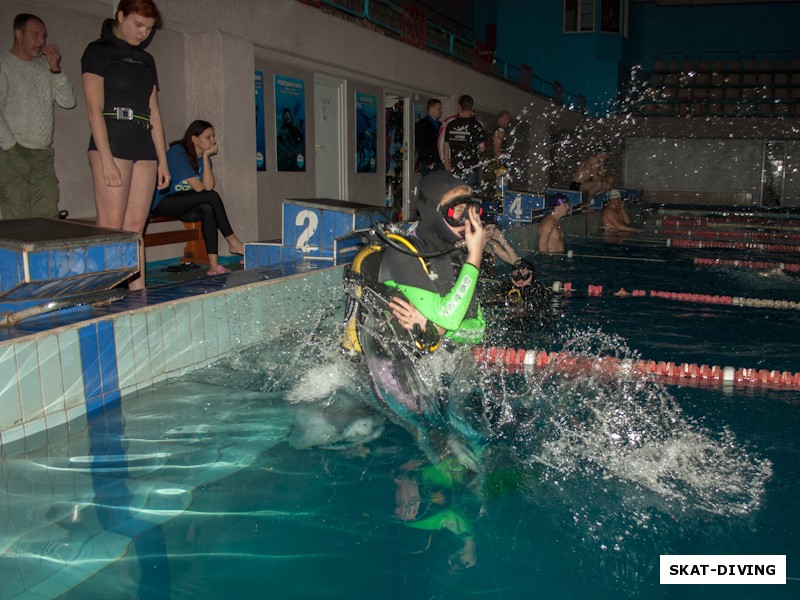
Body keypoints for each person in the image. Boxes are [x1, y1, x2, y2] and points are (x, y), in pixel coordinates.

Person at [81, 0, 169, 290]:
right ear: (120, 16)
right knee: (111, 228)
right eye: (138, 24)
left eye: (149, 28)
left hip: (142, 142)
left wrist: (163, 160)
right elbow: (94, 110)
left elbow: (154, 111)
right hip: (112, 138)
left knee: (134, 229)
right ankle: (100, 294)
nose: (143, 33)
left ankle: (138, 296)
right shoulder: (97, 51)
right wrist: (105, 159)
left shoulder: (148, 61)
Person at [380, 171, 488, 347]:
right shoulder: (402, 254)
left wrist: (436, 328)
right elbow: (450, 319)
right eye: (458, 211)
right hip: (387, 362)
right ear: (434, 212)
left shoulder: (457, 255)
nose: (466, 221)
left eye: (470, 211)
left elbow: (478, 329)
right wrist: (475, 257)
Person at [0, 13, 76, 219]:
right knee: (15, 217)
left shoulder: (45, 67)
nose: (41, 41)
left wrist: (55, 69)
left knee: (47, 214)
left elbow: (68, 102)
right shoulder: (4, 64)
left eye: (44, 36)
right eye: (35, 35)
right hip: (12, 154)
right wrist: (10, 147)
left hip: (43, 154)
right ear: (18, 34)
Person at [151, 120, 245, 276]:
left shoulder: (202, 158)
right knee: (211, 197)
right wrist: (206, 158)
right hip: (163, 202)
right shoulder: (177, 152)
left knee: (207, 207)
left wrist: (207, 156)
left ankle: (213, 266)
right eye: (208, 137)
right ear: (194, 139)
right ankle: (233, 242)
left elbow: (208, 187)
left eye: (213, 137)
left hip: (183, 204)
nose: (213, 141)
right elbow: (200, 188)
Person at [442, 95, 487, 189]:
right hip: (472, 167)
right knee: (470, 196)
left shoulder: (451, 124)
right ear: (473, 107)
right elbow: (482, 148)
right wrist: (474, 151)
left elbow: (446, 146)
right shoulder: (477, 125)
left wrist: (446, 164)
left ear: (459, 107)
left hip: (455, 168)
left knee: (456, 196)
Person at [414, 98, 443, 175]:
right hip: (428, 162)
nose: (441, 111)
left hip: (439, 161)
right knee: (430, 184)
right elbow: (419, 144)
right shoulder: (422, 125)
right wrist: (428, 161)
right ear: (431, 109)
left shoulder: (441, 125)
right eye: (439, 109)